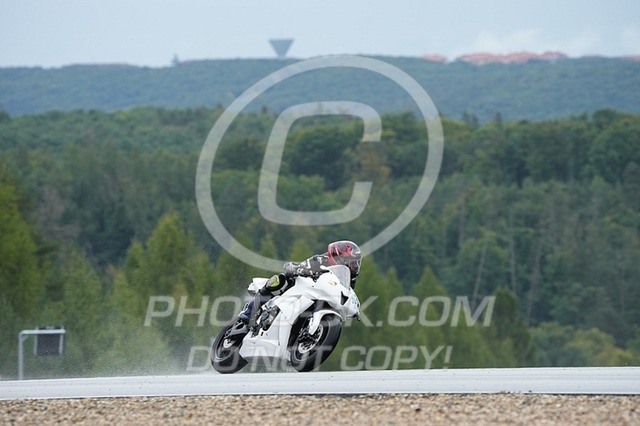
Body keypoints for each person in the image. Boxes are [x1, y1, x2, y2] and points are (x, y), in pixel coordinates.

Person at [239, 240, 362, 324]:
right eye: (351, 262)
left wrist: (354, 309)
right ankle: (250, 312)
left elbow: (347, 293)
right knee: (280, 280)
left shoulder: (348, 279)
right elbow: (303, 265)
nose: (355, 265)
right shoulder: (321, 260)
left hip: (322, 300)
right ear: (339, 257)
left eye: (356, 262)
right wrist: (295, 268)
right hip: (304, 287)